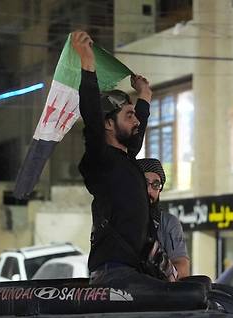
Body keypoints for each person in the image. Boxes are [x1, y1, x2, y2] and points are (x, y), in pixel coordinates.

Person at [71, 31, 176, 285]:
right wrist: (87, 64)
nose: (136, 120)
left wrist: (145, 96)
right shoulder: (101, 161)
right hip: (114, 274)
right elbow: (93, 121)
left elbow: (136, 135)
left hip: (134, 270)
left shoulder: (125, 160)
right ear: (108, 124)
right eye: (129, 115)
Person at [136, 158, 190, 278]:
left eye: (156, 185)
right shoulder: (119, 219)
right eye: (144, 183)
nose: (149, 190)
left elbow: (182, 268)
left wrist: (164, 270)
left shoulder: (168, 223)